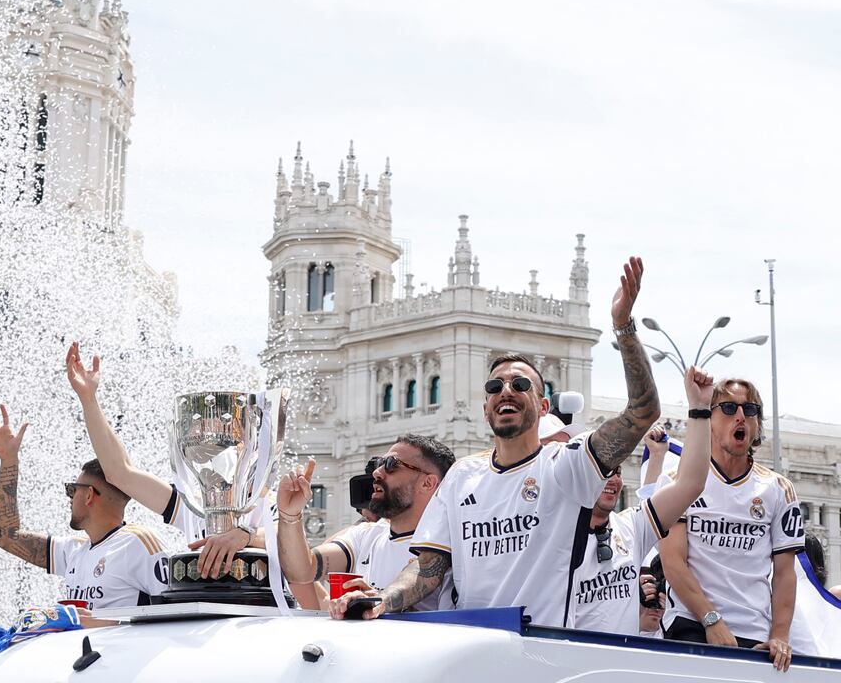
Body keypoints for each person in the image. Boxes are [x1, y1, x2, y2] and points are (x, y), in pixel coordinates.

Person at [333, 256, 660, 627]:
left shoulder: (567, 465)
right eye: (495, 387)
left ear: (542, 404)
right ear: (486, 408)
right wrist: (382, 599)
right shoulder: (460, 477)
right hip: (477, 650)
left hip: (544, 649)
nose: (506, 389)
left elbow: (642, 411)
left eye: (520, 384)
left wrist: (624, 328)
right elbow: (427, 569)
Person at [66, 342, 264, 579]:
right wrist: (89, 400)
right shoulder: (195, 505)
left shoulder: (270, 504)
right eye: (206, 440)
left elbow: (298, 552)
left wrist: (246, 535)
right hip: (202, 615)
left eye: (227, 439)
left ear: (252, 445)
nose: (214, 450)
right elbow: (120, 473)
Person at [658, 376, 804, 672]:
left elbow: (785, 574)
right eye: (727, 408)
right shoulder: (678, 481)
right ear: (709, 419)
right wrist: (711, 620)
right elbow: (672, 560)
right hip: (692, 623)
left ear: (757, 424)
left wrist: (779, 635)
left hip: (753, 634)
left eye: (750, 410)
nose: (740, 416)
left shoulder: (779, 488)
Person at [0, 404, 169, 621]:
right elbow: (5, 536)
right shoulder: (75, 549)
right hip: (87, 654)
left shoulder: (138, 543)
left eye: (71, 490)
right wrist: (9, 462)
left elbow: (175, 614)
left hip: (123, 654)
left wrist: (96, 623)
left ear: (88, 495)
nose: (69, 498)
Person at [572, 366, 713, 636]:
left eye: (618, 471)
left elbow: (690, 483)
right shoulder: (555, 532)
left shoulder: (631, 528)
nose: (612, 479)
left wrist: (699, 409)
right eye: (603, 472)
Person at [277, 435, 456, 610]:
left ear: (428, 483)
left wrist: (378, 600)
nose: (377, 472)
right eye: (379, 463)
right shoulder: (366, 535)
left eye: (391, 464)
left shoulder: (452, 542)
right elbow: (302, 571)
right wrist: (290, 514)